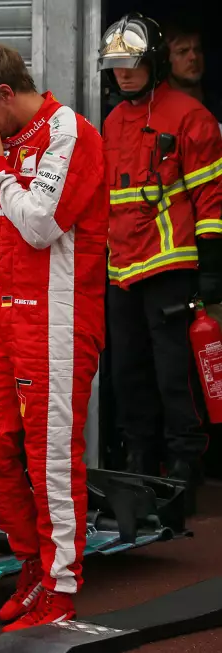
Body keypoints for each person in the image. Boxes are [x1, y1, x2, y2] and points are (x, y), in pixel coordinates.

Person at [0, 43, 108, 631]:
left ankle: (60, 590)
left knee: (52, 462)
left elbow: (41, 225)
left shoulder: (71, 132)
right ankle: (33, 564)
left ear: (5, 95)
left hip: (60, 316)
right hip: (8, 315)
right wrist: (4, 162)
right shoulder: (13, 139)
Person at [98, 13, 222, 494]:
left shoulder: (190, 116)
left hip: (172, 266)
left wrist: (210, 270)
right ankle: (137, 459)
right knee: (127, 369)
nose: (123, 73)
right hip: (121, 269)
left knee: (174, 373)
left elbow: (211, 199)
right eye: (114, 66)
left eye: (130, 63)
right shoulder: (111, 120)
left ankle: (185, 466)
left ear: (151, 61)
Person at [163, 23, 222, 127]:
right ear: (166, 59)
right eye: (182, 51)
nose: (193, 57)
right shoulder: (155, 112)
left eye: (197, 50)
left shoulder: (218, 108)